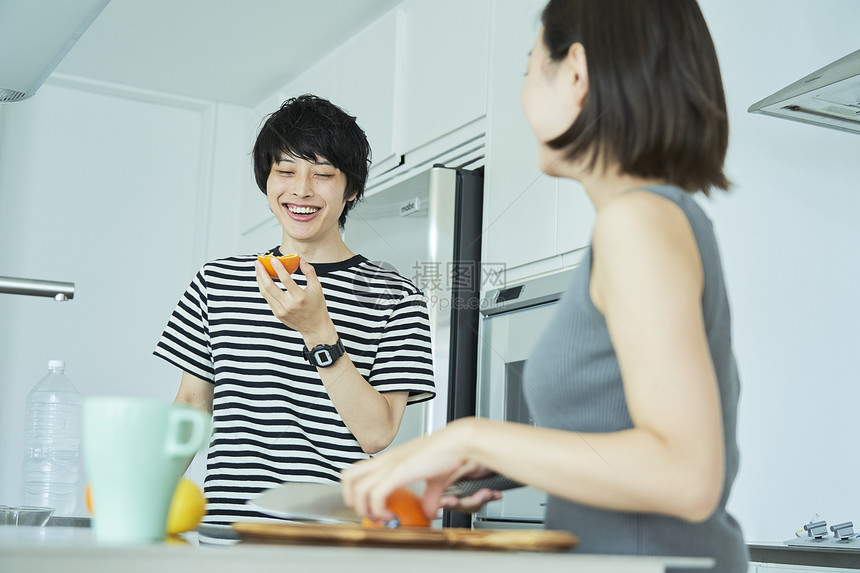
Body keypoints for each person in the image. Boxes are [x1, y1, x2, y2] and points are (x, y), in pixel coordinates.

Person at [341, 0, 747, 570]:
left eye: (529, 69)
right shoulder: (649, 221)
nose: (524, 93)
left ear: (575, 73)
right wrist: (489, 467)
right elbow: (625, 438)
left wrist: (469, 439)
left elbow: (687, 475)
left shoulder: (637, 222)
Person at [153, 94, 436, 532]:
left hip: (333, 540)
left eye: (323, 174)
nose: (301, 190)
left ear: (352, 188)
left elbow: (377, 434)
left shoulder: (395, 296)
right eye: (285, 171)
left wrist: (319, 332)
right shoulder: (217, 282)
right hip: (228, 532)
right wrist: (145, 499)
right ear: (267, 181)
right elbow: (191, 405)